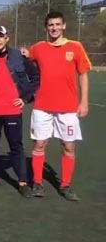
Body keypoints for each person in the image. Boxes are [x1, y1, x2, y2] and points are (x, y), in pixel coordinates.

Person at [26, 11, 91, 201]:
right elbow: (23, 59)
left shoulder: (76, 47)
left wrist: (84, 102)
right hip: (42, 106)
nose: (54, 28)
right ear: (46, 28)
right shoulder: (38, 48)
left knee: (68, 146)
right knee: (39, 144)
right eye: (50, 25)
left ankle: (65, 185)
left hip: (68, 107)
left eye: (57, 24)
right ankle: (37, 183)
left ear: (63, 26)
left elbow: (83, 74)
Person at [0, 26, 39, 197]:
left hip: (12, 110)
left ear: (7, 38)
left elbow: (36, 77)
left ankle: (23, 182)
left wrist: (25, 98)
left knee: (16, 146)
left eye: (0, 36)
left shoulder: (19, 57)